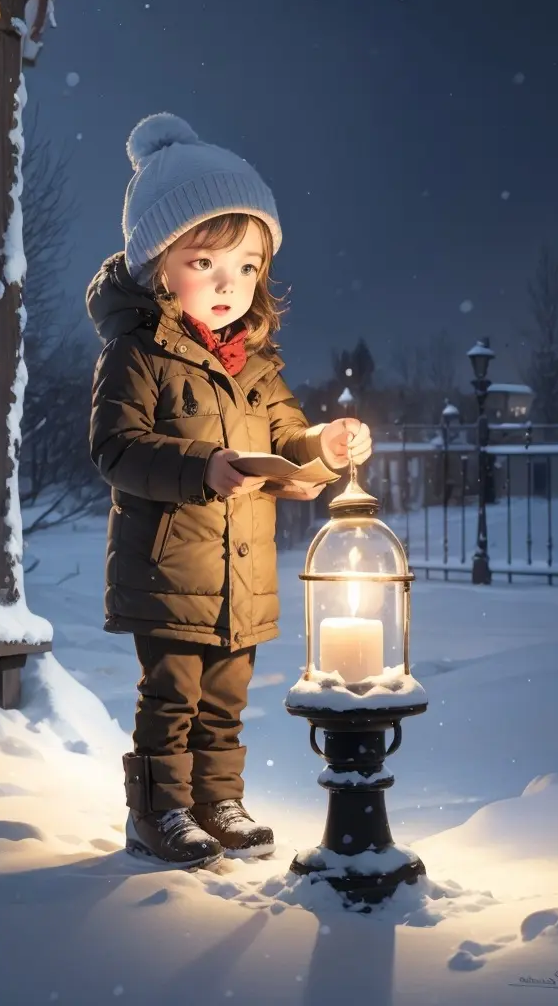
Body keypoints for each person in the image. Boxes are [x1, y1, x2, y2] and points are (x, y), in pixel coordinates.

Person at [86, 113, 372, 869]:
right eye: (207, 263)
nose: (229, 285)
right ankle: (159, 812)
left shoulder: (256, 365)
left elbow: (286, 442)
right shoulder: (136, 354)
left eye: (247, 268)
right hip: (169, 570)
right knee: (172, 696)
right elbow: (116, 449)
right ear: (158, 266)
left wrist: (324, 446)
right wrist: (201, 467)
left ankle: (218, 800)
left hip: (239, 578)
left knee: (227, 700)